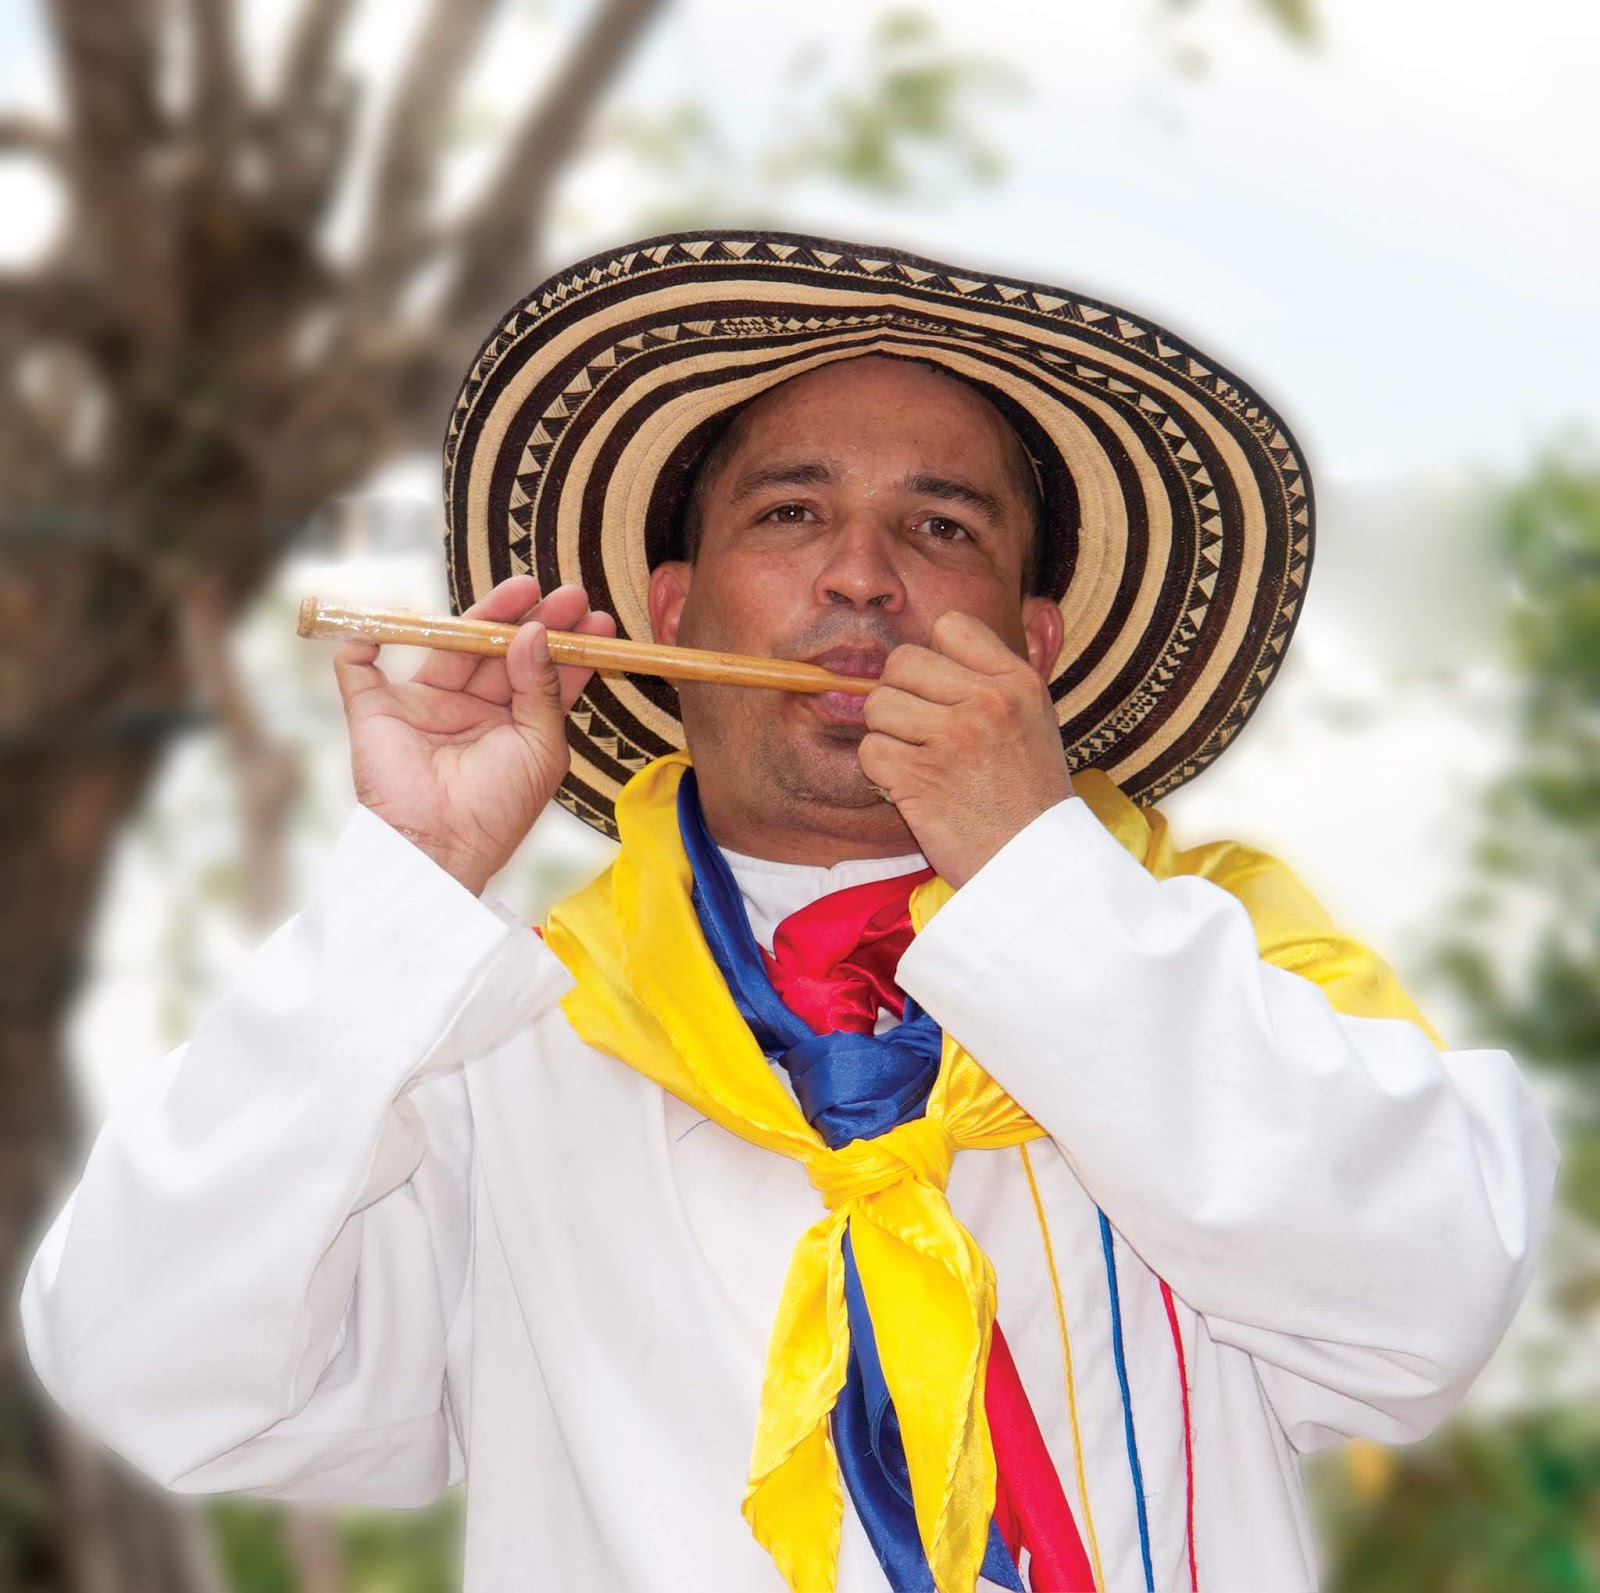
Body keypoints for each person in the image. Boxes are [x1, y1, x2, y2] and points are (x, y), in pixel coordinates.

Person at [22, 232, 1556, 1593]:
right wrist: (403, 888)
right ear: (673, 615)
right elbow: (151, 1368)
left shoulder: (1223, 955)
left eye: (942, 528)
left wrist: (1035, 870)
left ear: (1032, 644)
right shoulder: (508, 1031)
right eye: (791, 513)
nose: (863, 579)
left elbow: (1428, 1299)